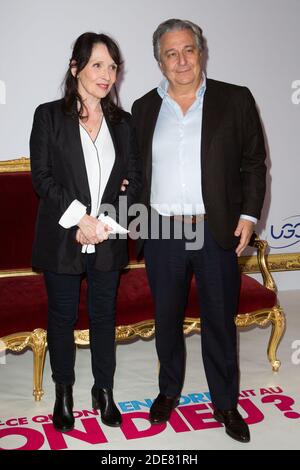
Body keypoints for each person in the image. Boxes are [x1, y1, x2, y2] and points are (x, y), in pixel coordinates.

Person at [132, 19, 266, 443]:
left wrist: (248, 216)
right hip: (162, 232)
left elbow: (253, 164)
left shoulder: (235, 99)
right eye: (171, 53)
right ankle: (168, 392)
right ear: (159, 60)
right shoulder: (142, 108)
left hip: (215, 230)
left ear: (201, 51)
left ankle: (225, 402)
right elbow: (135, 173)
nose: (181, 60)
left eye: (188, 49)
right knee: (166, 319)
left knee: (220, 323)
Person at [30, 32, 141, 433]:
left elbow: (133, 181)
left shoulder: (123, 123)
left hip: (107, 236)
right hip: (63, 235)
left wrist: (104, 224)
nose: (107, 74)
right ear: (75, 68)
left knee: (104, 316)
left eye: (112, 66)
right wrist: (80, 219)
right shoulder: (48, 116)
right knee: (61, 317)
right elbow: (41, 178)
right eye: (97, 64)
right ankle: (64, 392)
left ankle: (104, 391)